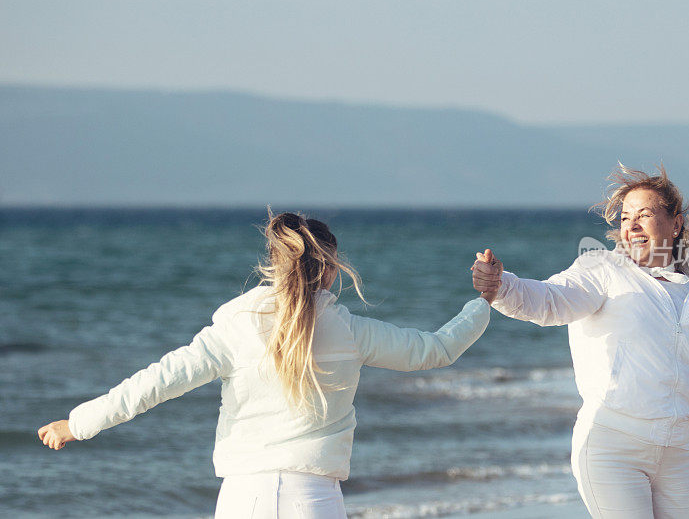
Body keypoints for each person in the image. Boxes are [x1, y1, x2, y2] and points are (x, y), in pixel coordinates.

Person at [38, 211, 491, 518]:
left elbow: (157, 382)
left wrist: (78, 423)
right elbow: (435, 349)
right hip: (315, 500)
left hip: (243, 498)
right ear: (332, 268)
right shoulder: (349, 331)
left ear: (273, 262)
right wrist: (485, 301)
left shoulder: (235, 326)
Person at [472, 163, 689, 518]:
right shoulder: (602, 270)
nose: (632, 226)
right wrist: (502, 285)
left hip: (678, 457)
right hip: (612, 449)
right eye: (626, 218)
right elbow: (549, 300)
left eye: (644, 214)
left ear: (676, 224)